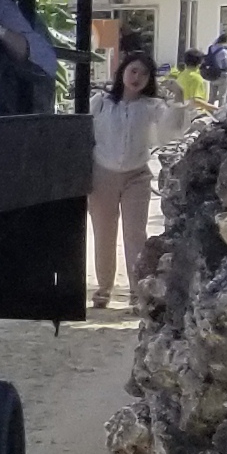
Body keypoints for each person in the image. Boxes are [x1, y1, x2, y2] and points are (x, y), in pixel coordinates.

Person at [87, 43, 171, 308]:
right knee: (103, 232)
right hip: (101, 173)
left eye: (143, 74)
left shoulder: (152, 107)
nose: (137, 78)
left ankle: (138, 291)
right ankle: (104, 288)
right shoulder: (101, 103)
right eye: (133, 71)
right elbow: (82, 132)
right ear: (122, 72)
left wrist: (177, 102)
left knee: (136, 234)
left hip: (137, 175)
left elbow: (172, 129)